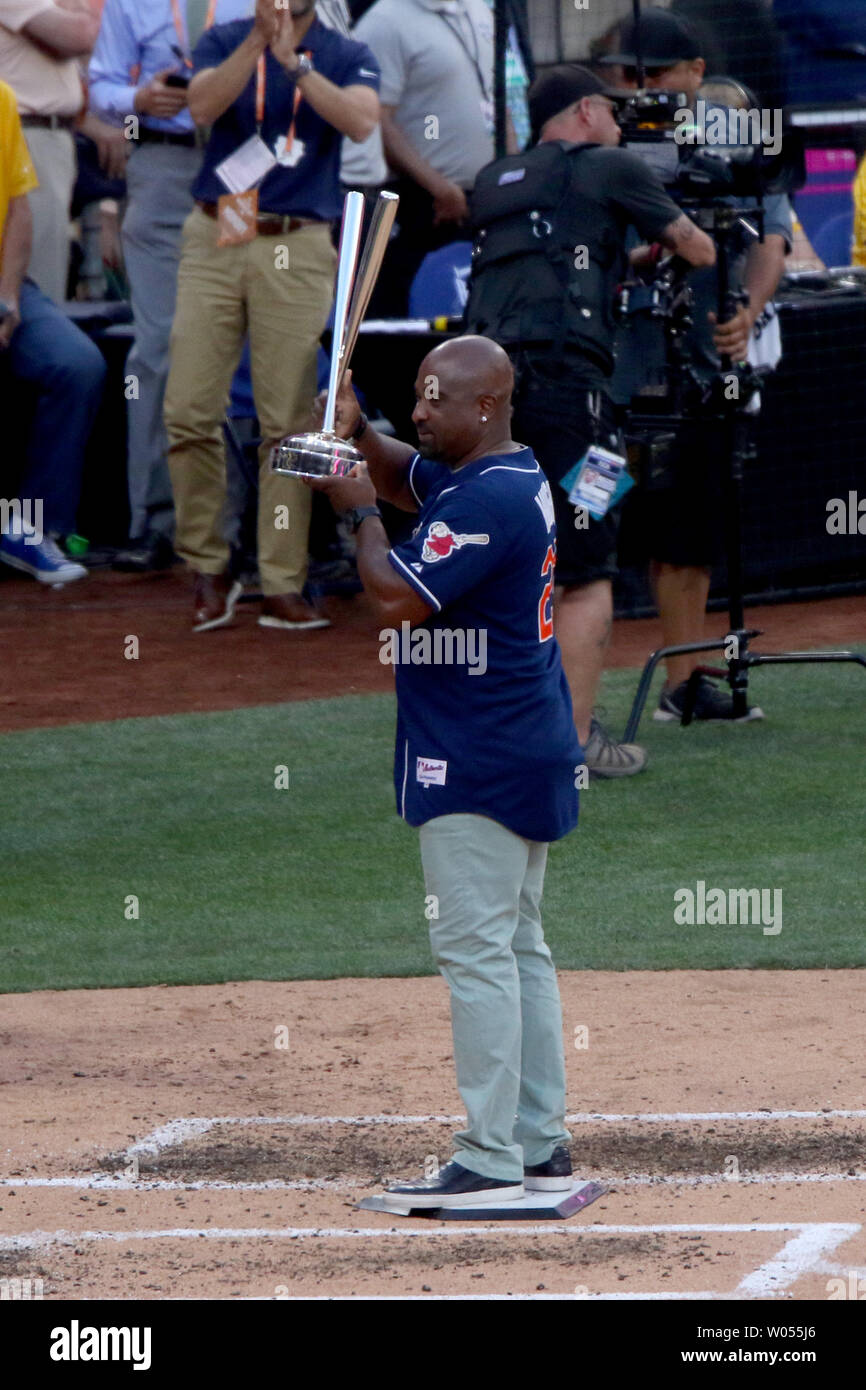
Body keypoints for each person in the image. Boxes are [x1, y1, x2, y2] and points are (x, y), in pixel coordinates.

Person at [308, 336, 582, 1207]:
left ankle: (490, 1156)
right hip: (522, 740)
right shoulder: (500, 473)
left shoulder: (486, 503)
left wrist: (354, 511)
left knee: (476, 954)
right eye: (416, 397)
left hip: (478, 757)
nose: (421, 411)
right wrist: (362, 433)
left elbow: (392, 598)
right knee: (518, 946)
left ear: (487, 406)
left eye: (435, 399)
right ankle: (539, 1142)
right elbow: (401, 472)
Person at [464, 64, 716, 775]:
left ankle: (504, 732)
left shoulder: (500, 177)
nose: (619, 121)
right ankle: (569, 747)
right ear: (582, 113)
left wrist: (619, 253)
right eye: (610, 108)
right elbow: (698, 246)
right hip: (575, 398)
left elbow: (549, 260)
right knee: (586, 571)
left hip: (477, 398)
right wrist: (666, 238)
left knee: (504, 568)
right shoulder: (610, 163)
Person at [163, 0, 380, 633]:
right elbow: (200, 108)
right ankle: (209, 565)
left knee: (286, 420)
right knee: (187, 409)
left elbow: (363, 124)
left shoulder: (347, 52)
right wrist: (258, 46)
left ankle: (282, 579)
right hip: (216, 231)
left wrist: (295, 65)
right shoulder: (225, 37)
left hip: (299, 236)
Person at [602, 9, 793, 721]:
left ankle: (685, 680)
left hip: (707, 364)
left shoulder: (737, 143)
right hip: (623, 369)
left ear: (696, 75)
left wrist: (749, 309)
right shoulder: (610, 145)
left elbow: (771, 233)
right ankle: (556, 684)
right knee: (594, 512)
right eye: (635, 77)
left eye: (660, 76)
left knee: (697, 519)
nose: (647, 89)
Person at [89, 0, 254, 573]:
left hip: (241, 167)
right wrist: (137, 101)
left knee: (233, 343)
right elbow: (99, 87)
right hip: (162, 164)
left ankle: (229, 526)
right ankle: (157, 524)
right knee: (159, 348)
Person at [0, 77, 105, 584]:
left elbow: (18, 211)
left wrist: (7, 299)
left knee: (76, 363)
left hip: (6, 283)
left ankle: (28, 527)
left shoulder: (2, 98)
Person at [354, 0, 495, 316]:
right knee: (409, 317)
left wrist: (507, 172)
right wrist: (437, 186)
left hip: (482, 203)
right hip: (420, 205)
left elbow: (496, 99)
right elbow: (373, 118)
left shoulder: (480, 11)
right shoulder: (385, 21)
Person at [0, 0, 99, 304]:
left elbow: (110, 90)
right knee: (43, 277)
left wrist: (124, 132)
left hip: (93, 142)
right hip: (35, 135)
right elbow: (84, 35)